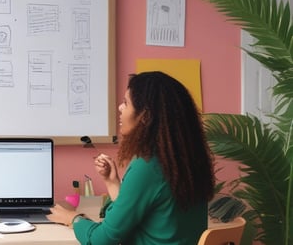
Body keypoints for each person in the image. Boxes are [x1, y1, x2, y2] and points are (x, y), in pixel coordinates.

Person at [47, 71, 215, 244]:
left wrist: (74, 218)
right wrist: (112, 182)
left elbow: (101, 240)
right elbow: (137, 216)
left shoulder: (149, 166)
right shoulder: (186, 161)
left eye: (126, 103)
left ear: (146, 116)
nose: (120, 108)